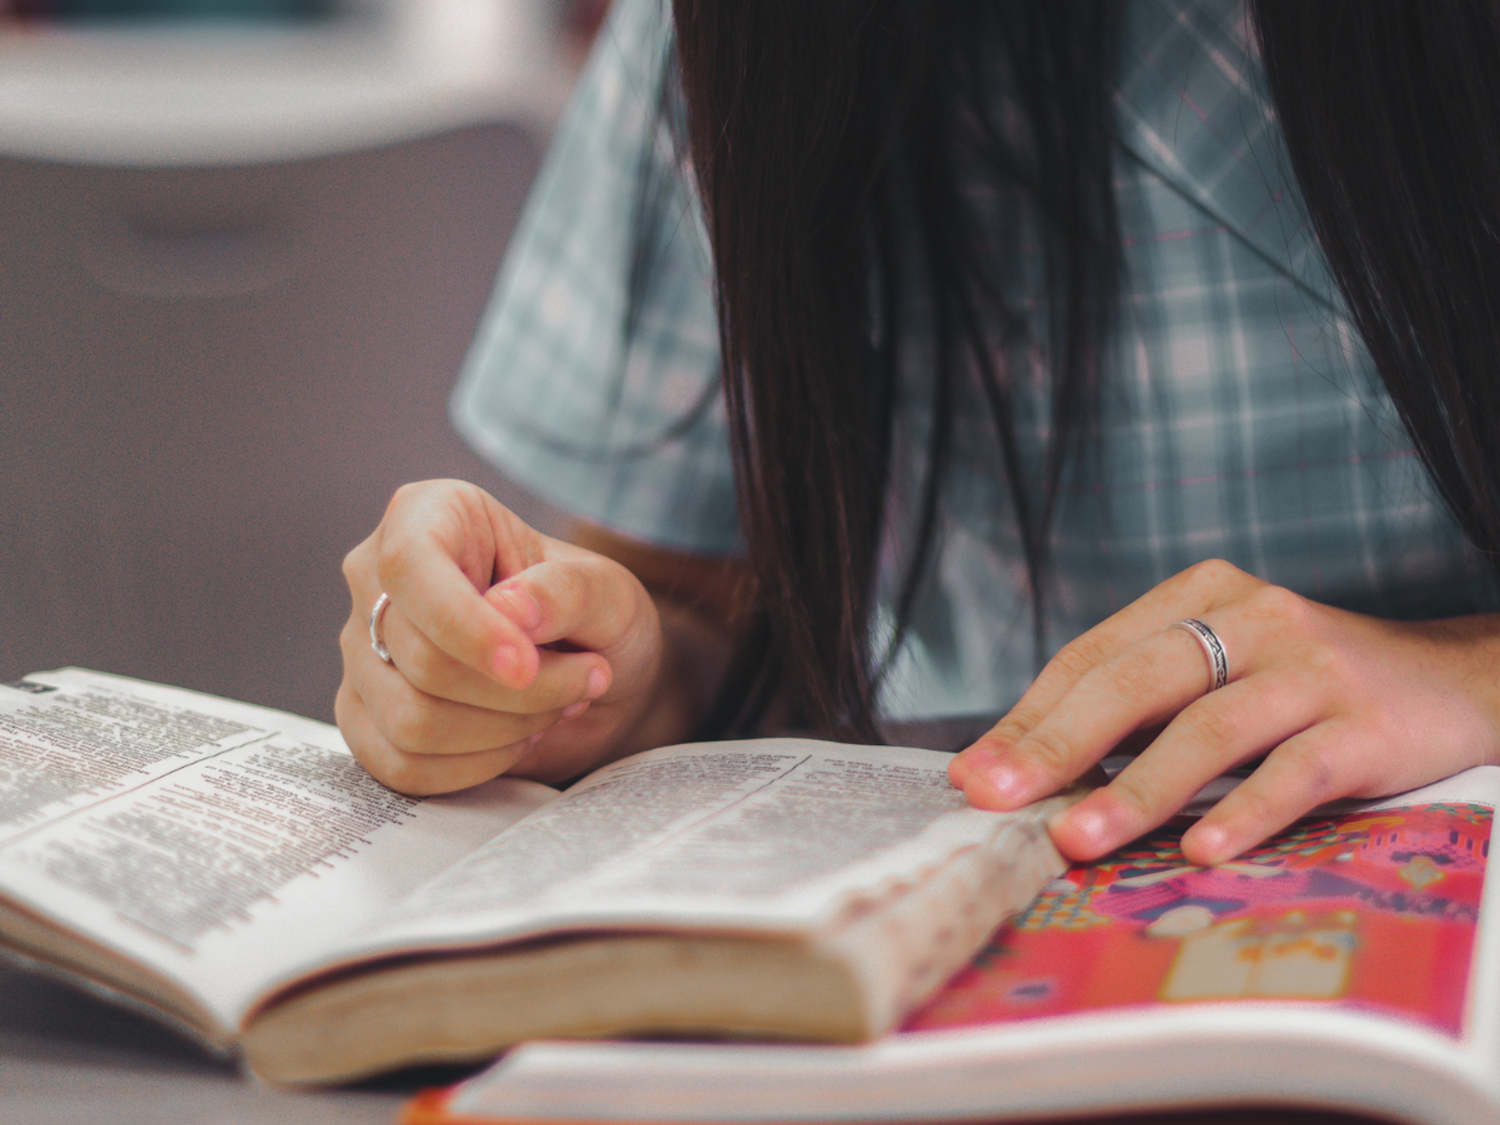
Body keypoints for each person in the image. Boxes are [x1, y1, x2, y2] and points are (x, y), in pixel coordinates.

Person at [337, 0, 1500, 868]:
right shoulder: (731, 39)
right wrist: (571, 671)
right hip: (994, 915)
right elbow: (689, 600)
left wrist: (1466, 677)